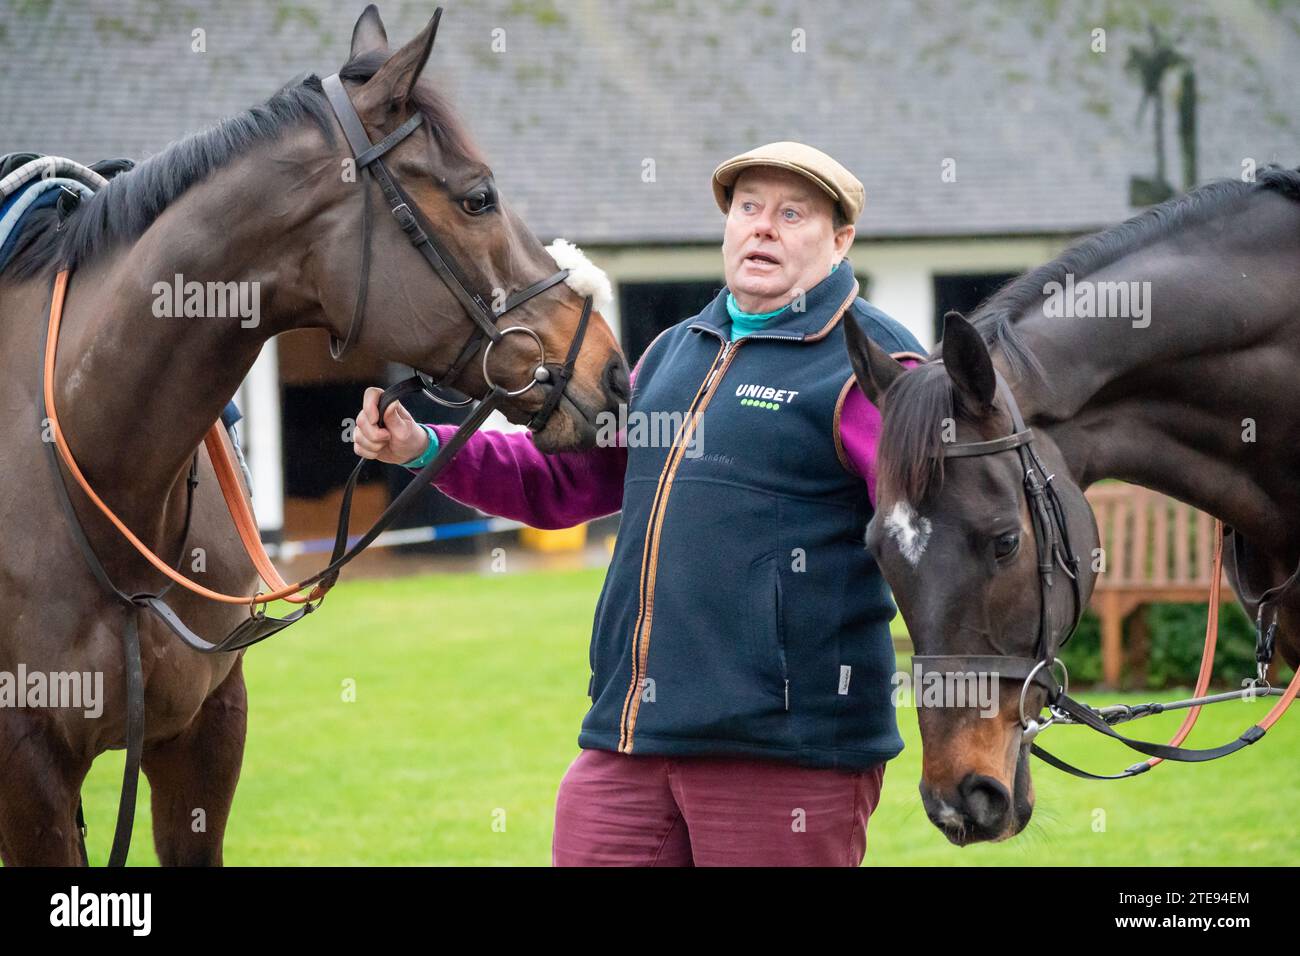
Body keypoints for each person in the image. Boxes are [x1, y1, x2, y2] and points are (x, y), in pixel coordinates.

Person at [353, 142, 926, 866]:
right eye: (749, 208)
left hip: (787, 755)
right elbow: (565, 480)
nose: (763, 228)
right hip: (627, 743)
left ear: (840, 240)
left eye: (792, 215)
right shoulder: (673, 353)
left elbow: (937, 536)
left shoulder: (877, 368)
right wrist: (423, 446)